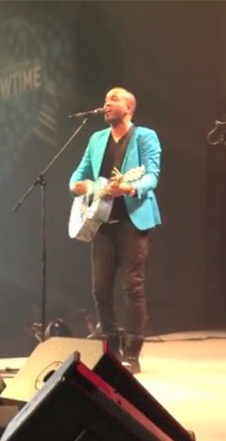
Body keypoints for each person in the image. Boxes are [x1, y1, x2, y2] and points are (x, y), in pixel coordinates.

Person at [69, 87, 162, 374]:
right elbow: (78, 174)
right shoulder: (96, 139)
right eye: (105, 99)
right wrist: (79, 186)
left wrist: (130, 187)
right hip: (102, 222)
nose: (106, 104)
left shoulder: (144, 136)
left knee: (132, 285)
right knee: (100, 288)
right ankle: (110, 344)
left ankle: (132, 351)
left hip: (132, 220)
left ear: (129, 107)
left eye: (114, 100)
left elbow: (152, 174)